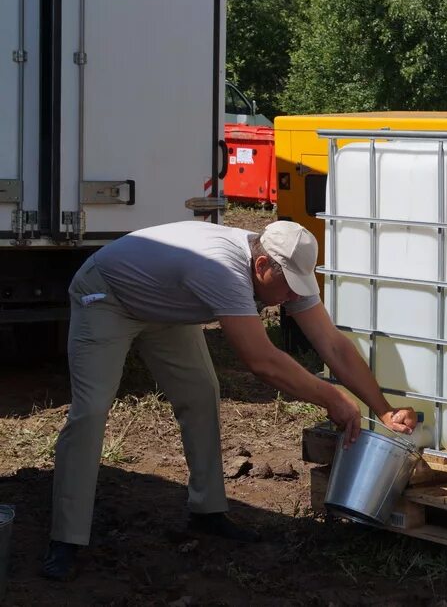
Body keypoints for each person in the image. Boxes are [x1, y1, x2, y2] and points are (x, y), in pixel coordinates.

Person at [41, 220, 417, 580]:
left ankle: (207, 511)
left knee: (201, 393)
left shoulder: (284, 267)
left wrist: (381, 408)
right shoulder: (221, 268)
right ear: (261, 265)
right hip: (109, 295)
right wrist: (332, 399)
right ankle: (65, 538)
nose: (292, 297)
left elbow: (331, 343)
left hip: (166, 304)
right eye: (287, 286)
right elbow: (262, 362)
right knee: (91, 410)